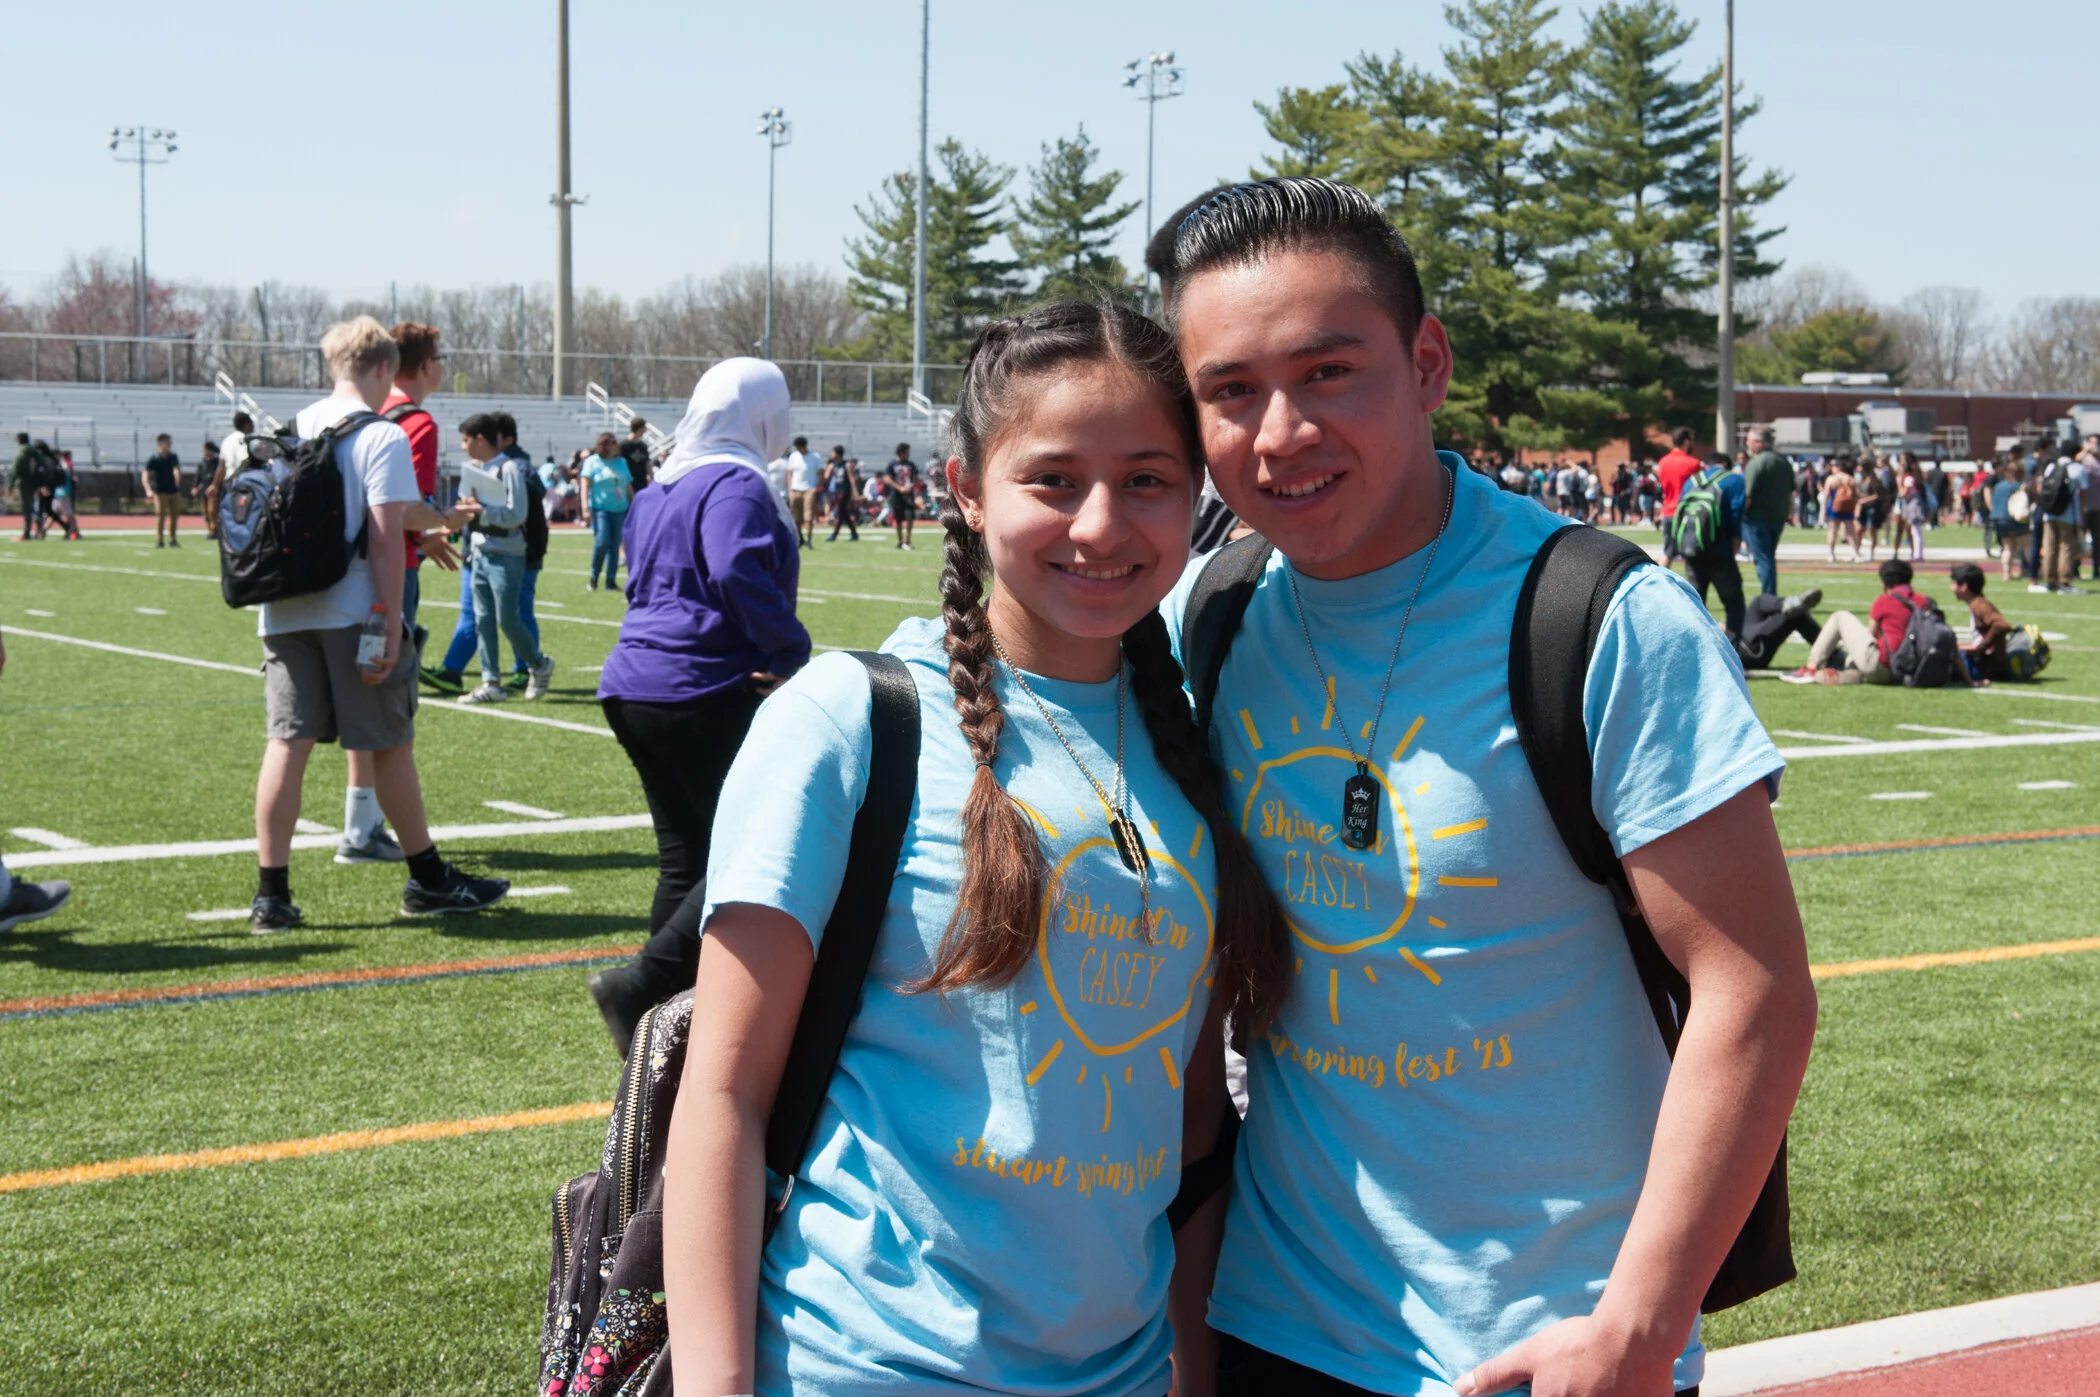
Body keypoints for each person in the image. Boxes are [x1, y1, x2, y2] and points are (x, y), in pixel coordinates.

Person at [1146, 177, 1815, 1397]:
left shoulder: (1603, 621)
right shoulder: (1213, 613)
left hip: (1540, 1349)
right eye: (1231, 392)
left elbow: (1755, 986)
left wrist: (1640, 1324)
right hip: (1272, 1319)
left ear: (1428, 363)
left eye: (1329, 371)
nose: (1281, 429)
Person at [659, 301, 1294, 1397]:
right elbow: (722, 1096)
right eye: (1052, 479)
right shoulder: (845, 721)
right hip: (869, 1363)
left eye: (1146, 478)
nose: (1101, 523)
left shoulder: (1196, 740)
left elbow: (1189, 1125)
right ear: (965, 485)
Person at [249, 316, 509, 932]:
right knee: (390, 743)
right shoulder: (382, 435)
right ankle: (428, 879)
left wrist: (440, 518)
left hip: (284, 608)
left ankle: (271, 895)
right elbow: (386, 536)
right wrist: (390, 620)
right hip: (353, 606)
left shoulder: (292, 427)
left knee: (287, 744)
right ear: (385, 369)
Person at [585, 359, 813, 1046]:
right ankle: (643, 987)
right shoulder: (736, 481)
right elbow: (734, 564)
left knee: (685, 856)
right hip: (704, 683)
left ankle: (664, 1013)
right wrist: (788, 648)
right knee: (744, 844)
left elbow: (640, 572)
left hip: (633, 680)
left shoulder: (662, 483)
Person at [456, 413, 554, 705]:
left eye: (465, 440)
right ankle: (491, 682)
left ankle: (538, 663)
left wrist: (481, 512)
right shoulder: (473, 468)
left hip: (506, 554)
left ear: (480, 439)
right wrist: (464, 509)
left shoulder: (509, 468)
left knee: (507, 619)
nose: (463, 447)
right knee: (483, 620)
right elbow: (466, 502)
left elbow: (516, 514)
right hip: (480, 552)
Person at [1790, 558, 1929, 685]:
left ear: (1884, 582)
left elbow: (1872, 635)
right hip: (1912, 669)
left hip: (1883, 666)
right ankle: (1852, 672)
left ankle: (1811, 667)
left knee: (1840, 617)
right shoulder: (1924, 601)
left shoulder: (1884, 601)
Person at [496, 413, 551, 692]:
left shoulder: (518, 467)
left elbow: (529, 515)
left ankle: (527, 666)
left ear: (507, 439)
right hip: (516, 550)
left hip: (524, 552)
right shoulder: (507, 464)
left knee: (521, 611)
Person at [1741, 426, 1791, 595]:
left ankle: (1769, 596)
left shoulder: (1756, 463)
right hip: (1777, 517)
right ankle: (1770, 594)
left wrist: (1739, 515)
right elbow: (1790, 492)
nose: (1747, 443)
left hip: (1756, 518)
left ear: (1759, 443)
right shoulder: (1783, 462)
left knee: (1763, 559)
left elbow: (1748, 495)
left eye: (1750, 440)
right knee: (1768, 557)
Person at [582, 432, 634, 591]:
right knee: (602, 541)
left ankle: (610, 581)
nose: (616, 445)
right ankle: (593, 577)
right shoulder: (592, 462)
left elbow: (628, 487)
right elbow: (585, 486)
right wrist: (584, 508)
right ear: (604, 445)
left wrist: (636, 504)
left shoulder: (622, 462)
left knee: (614, 546)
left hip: (620, 509)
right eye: (612, 442)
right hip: (601, 509)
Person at [2034, 444, 2087, 594]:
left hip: (2049, 513)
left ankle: (2050, 580)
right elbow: (2082, 494)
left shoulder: (2051, 467)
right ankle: (2064, 581)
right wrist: (2081, 516)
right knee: (2066, 547)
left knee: (2050, 547)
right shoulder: (2077, 469)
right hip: (2068, 513)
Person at [1948, 563, 2011, 684]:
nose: (1950, 588)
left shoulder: (1979, 605)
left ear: (1964, 587)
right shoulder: (1975, 603)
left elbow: (2002, 625)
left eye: (1953, 583)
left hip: (1983, 667)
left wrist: (1979, 647)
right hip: (1982, 664)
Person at [1654, 426, 1703, 558]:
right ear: (1686, 441)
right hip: (1687, 512)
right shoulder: (1693, 463)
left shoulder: (1663, 462)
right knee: (1691, 554)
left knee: (1668, 554)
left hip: (1668, 511)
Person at [205, 410, 254, 538]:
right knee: (244, 515)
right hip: (241, 483)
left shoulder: (227, 440)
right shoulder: (243, 440)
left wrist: (215, 484)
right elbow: (244, 460)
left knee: (230, 515)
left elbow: (222, 465)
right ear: (246, 424)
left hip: (228, 483)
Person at [1991, 458, 2029, 583]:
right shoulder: (2020, 486)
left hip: (1999, 520)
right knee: (2027, 546)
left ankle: (2006, 575)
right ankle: (2035, 571)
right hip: (2015, 519)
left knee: (2007, 548)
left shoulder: (1998, 486)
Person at [782, 433, 822, 548]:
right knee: (795, 517)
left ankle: (809, 540)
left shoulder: (815, 457)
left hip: (809, 489)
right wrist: (790, 489)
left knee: (808, 517)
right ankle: (800, 539)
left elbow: (821, 474)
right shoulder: (793, 456)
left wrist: (816, 487)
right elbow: (790, 473)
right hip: (795, 489)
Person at [144, 433, 182, 547]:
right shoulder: (154, 459)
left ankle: (172, 539)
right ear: (160, 443)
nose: (169, 445)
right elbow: (145, 474)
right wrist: (148, 489)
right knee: (160, 516)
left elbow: (177, 469)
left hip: (173, 490)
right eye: (167, 442)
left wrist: (177, 479)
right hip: (160, 491)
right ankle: (160, 539)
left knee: (174, 516)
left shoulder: (173, 457)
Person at [1822, 457, 1860, 562]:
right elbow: (1856, 495)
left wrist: (1824, 510)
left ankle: (1831, 554)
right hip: (1848, 507)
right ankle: (1856, 553)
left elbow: (1826, 495)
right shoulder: (1850, 478)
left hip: (1835, 507)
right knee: (1851, 531)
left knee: (1832, 531)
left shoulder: (1831, 479)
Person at [884, 442, 922, 549]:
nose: (908, 454)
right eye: (907, 452)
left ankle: (908, 540)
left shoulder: (911, 465)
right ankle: (900, 540)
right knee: (898, 519)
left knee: (910, 517)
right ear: (901, 452)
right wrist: (899, 488)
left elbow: (915, 479)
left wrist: (915, 492)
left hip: (909, 495)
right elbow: (887, 479)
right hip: (896, 495)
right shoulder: (892, 464)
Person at [823, 445, 860, 541]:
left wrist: (855, 492)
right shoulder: (832, 465)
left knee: (840, 512)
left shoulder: (846, 465)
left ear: (838, 454)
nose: (832, 454)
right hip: (836, 490)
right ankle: (854, 533)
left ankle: (834, 534)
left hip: (844, 490)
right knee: (844, 513)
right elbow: (826, 477)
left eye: (833, 452)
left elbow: (851, 478)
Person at [620, 415, 654, 491]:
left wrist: (652, 478)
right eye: (644, 429)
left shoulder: (643, 446)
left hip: (642, 483)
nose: (645, 431)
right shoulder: (623, 445)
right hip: (628, 484)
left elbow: (647, 463)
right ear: (640, 429)